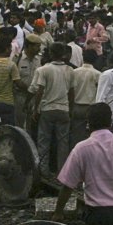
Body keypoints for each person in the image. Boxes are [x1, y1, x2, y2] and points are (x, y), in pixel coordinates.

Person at [30, 42, 75, 176]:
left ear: (50, 53)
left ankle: (43, 171)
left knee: (44, 141)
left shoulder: (44, 69)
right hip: (63, 109)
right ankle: (62, 172)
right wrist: (70, 109)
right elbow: (71, 93)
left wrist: (35, 109)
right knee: (63, 143)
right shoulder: (70, 70)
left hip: (47, 109)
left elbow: (40, 91)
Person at [70, 49, 101, 148]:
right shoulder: (98, 74)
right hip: (91, 108)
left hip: (76, 107)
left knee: (76, 136)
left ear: (83, 58)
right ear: (95, 60)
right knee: (90, 136)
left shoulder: (74, 72)